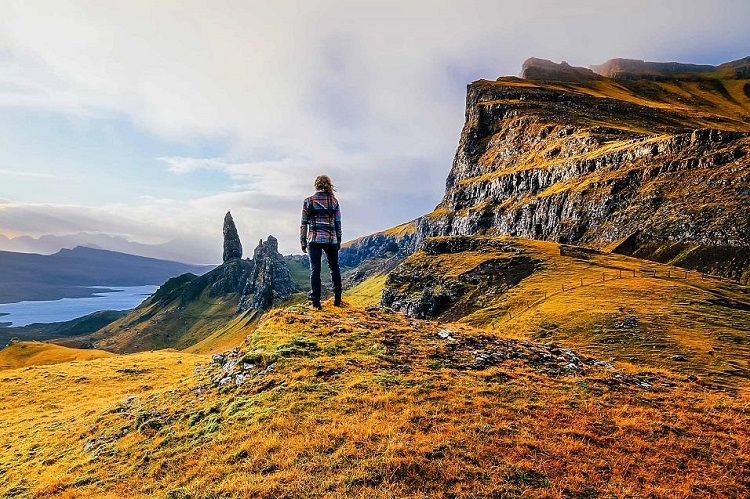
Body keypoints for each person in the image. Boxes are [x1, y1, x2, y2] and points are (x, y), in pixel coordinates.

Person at [300, 175, 342, 309]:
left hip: (314, 239)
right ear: (328, 185)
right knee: (334, 268)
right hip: (331, 239)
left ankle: (316, 303)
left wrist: (303, 241)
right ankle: (337, 299)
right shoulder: (334, 201)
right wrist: (338, 240)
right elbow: (338, 223)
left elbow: (303, 223)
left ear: (316, 186)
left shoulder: (308, 201)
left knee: (315, 269)